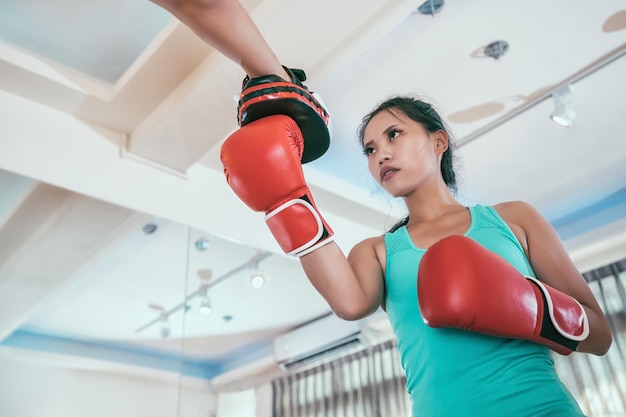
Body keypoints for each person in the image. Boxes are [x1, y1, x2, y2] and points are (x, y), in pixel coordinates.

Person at [153, 1, 613, 415]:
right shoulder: (377, 252)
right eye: (370, 150)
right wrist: (284, 200)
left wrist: (528, 305)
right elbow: (349, 304)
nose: (381, 156)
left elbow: (599, 334)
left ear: (438, 141)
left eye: (394, 136)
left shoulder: (514, 219)